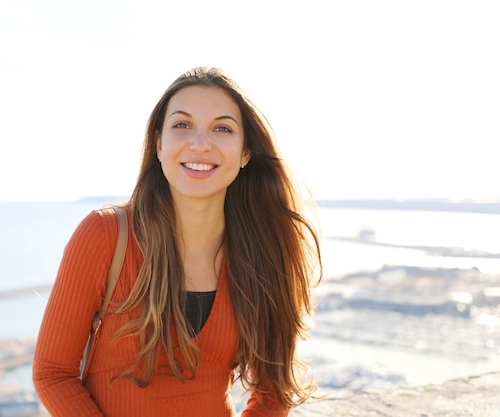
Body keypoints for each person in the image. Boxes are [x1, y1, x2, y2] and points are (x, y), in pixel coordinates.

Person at [32, 66, 322, 416]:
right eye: (182, 125)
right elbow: (53, 372)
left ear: (245, 153)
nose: (200, 144)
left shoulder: (263, 251)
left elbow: (273, 392)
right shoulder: (104, 234)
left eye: (222, 128)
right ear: (158, 143)